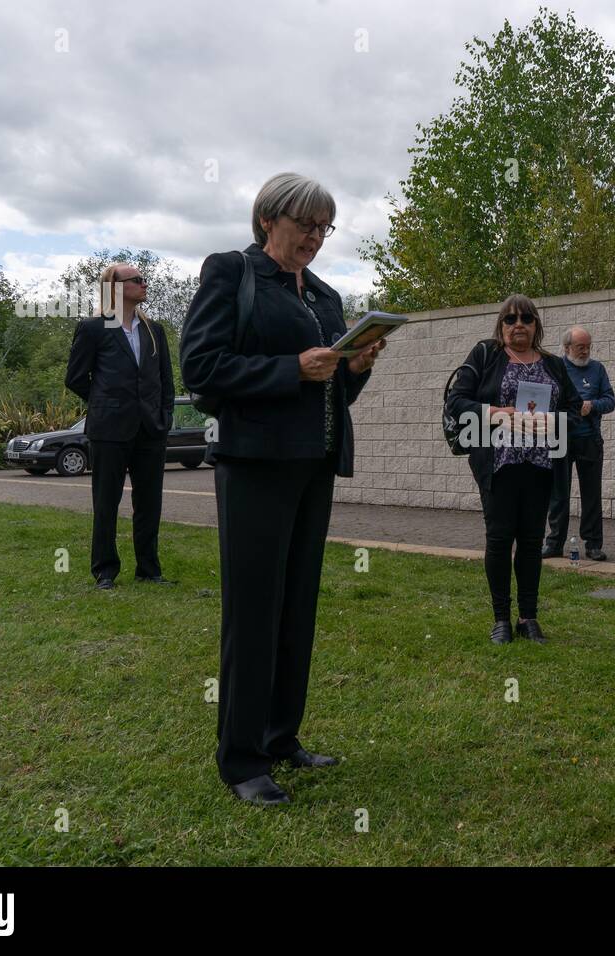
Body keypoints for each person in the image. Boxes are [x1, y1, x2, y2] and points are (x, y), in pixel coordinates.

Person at [179, 172, 383, 807]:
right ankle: (242, 760)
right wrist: (289, 368)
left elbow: (332, 390)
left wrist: (354, 370)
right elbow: (202, 368)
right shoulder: (231, 273)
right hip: (255, 463)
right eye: (305, 226)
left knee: (297, 605)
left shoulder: (323, 295)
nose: (315, 239)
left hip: (313, 463)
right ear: (268, 219)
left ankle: (279, 736)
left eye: (324, 228)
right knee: (254, 609)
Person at [446, 295, 583, 645]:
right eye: (510, 319)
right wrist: (494, 413)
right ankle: (501, 619)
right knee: (499, 539)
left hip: (540, 465)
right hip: (499, 464)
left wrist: (551, 420)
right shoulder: (486, 355)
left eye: (525, 318)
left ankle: (529, 617)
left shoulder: (553, 364)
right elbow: (457, 400)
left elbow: (572, 410)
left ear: (536, 325)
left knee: (532, 541)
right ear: (501, 325)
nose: (518, 324)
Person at [64, 262, 174, 590]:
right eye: (137, 280)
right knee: (106, 501)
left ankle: (149, 570)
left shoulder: (154, 331)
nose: (144, 283)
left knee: (150, 502)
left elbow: (166, 381)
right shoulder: (93, 328)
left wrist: (164, 415)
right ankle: (105, 571)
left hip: (150, 429)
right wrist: (104, 401)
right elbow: (75, 378)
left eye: (144, 279)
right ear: (115, 287)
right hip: (109, 428)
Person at [542, 325, 615, 561]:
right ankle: (554, 543)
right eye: (580, 347)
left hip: (589, 439)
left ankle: (593, 544)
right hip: (560, 437)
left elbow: (610, 400)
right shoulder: (555, 368)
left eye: (588, 347)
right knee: (558, 493)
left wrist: (592, 405)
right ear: (566, 348)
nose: (585, 351)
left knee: (591, 494)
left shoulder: (597, 369)